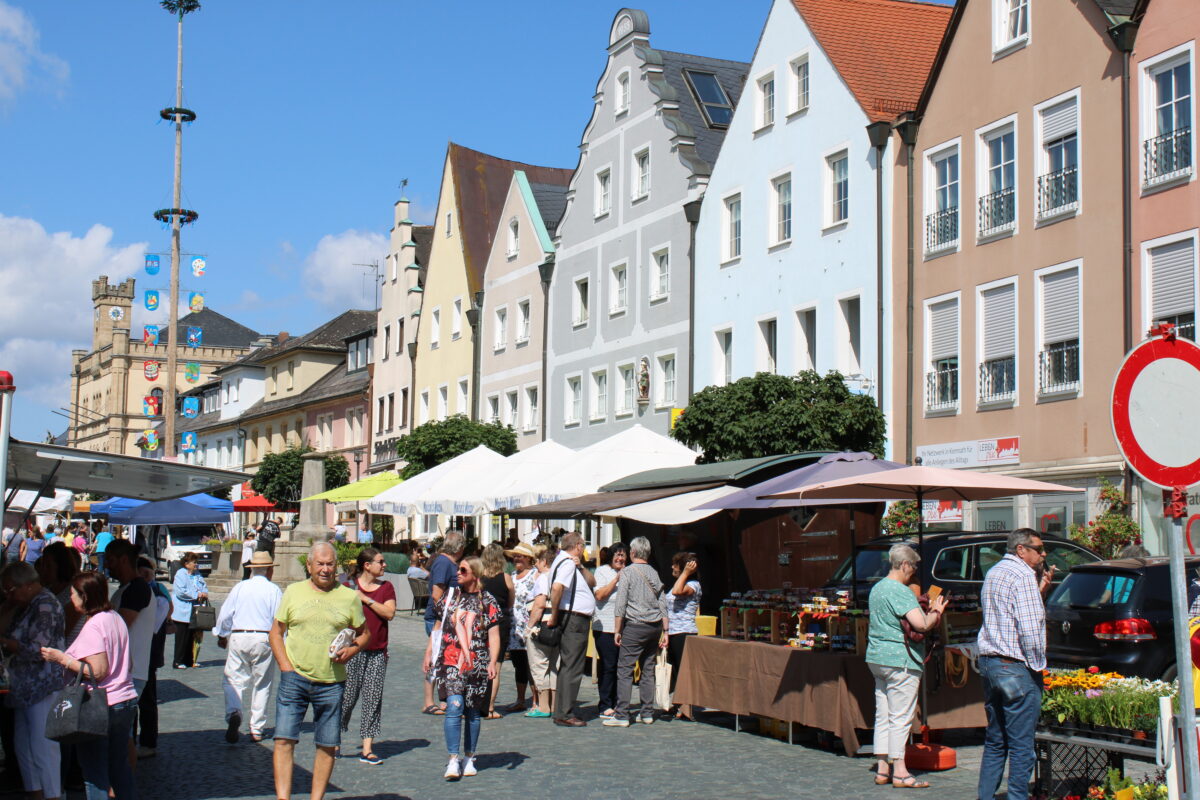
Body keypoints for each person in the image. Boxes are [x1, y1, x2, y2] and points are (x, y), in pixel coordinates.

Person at [270, 542, 368, 800]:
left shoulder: (348, 596)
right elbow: (276, 633)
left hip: (332, 681)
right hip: (295, 677)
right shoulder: (293, 592)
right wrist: (286, 667)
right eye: (320, 564)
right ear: (309, 566)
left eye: (330, 564)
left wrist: (352, 650)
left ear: (337, 567)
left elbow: (364, 633)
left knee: (326, 744)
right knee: (283, 739)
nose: (325, 569)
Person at [40, 572, 138, 800]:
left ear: (84, 596)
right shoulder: (114, 617)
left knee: (95, 773)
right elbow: (129, 662)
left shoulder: (95, 625)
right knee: (119, 768)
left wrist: (62, 659)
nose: (70, 599)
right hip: (124, 700)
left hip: (101, 705)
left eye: (73, 595)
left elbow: (99, 670)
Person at [977, 529, 1055, 800]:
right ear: (1021, 549)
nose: (1043, 554)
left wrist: (1040, 591)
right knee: (1022, 746)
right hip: (1014, 665)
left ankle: (985, 795)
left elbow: (1004, 614)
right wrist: (1038, 665)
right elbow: (1031, 630)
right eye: (1038, 548)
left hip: (990, 662)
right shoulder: (1022, 575)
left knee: (996, 740)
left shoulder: (995, 571)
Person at [865, 544, 947, 789]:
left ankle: (882, 769)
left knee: (883, 714)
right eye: (913, 566)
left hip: (877, 657)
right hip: (900, 659)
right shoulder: (899, 591)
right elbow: (921, 625)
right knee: (900, 716)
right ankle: (900, 771)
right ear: (904, 565)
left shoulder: (877, 588)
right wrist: (936, 611)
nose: (913, 572)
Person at [422, 556, 500, 781]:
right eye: (458, 569)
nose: (457, 573)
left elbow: (493, 635)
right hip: (451, 661)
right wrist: (429, 652)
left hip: (476, 663)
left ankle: (470, 757)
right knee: (454, 707)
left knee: (473, 712)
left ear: (475, 573)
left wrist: (492, 661)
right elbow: (438, 625)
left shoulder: (487, 600)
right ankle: (453, 759)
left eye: (463, 570)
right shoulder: (449, 596)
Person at [0, 562, 64, 800]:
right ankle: (36, 793)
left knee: (43, 746)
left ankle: (52, 795)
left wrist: (7, 644)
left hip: (42, 686)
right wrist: (7, 604)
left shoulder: (45, 605)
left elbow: (39, 650)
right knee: (24, 747)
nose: (8, 594)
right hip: (24, 687)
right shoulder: (24, 604)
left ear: (26, 585)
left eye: (10, 589)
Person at [216, 551, 282, 744]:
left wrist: (222, 634)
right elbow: (279, 619)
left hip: (239, 635)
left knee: (232, 679)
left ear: (252, 570)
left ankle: (234, 711)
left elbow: (226, 613)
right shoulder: (274, 590)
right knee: (262, 683)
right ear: (270, 570)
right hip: (263, 637)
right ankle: (257, 728)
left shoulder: (240, 587)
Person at [339, 548, 396, 764]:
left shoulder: (386, 587)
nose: (384, 565)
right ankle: (334, 739)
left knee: (373, 698)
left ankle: (367, 748)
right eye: (380, 562)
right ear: (367, 565)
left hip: (377, 652)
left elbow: (389, 613)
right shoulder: (347, 587)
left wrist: (365, 599)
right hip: (353, 651)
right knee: (347, 697)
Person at [604, 536, 666, 728]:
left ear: (632, 552)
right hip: (654, 626)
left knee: (625, 670)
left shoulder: (628, 572)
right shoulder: (654, 572)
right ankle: (647, 712)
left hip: (635, 625)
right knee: (648, 669)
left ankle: (622, 714)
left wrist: (617, 630)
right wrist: (666, 629)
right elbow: (662, 600)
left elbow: (621, 603)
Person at [544, 532, 596, 727]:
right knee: (572, 666)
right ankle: (565, 712)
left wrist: (581, 566)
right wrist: (555, 614)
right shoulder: (566, 563)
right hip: (574, 618)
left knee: (568, 665)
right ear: (578, 546)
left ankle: (562, 710)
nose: (583, 549)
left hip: (574, 616)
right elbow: (557, 588)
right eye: (583, 545)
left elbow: (593, 582)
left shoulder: (565, 561)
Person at [107, 539, 156, 697]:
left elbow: (117, 628)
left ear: (123, 560)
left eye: (110, 560)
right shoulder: (127, 588)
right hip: (126, 672)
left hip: (129, 674)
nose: (107, 565)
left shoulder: (137, 589)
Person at [422, 531, 465, 715]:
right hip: (439, 618)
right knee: (434, 656)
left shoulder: (449, 563)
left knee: (445, 657)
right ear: (460, 547)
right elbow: (437, 593)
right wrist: (445, 617)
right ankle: (428, 700)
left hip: (448, 618)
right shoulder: (443, 563)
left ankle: (444, 697)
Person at [134, 556, 170, 759]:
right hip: (140, 651)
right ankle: (132, 740)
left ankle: (148, 742)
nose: (143, 576)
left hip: (149, 652)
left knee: (147, 699)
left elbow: (156, 623)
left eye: (146, 572)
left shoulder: (158, 591)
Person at [664, 551, 701, 718]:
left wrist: (686, 572)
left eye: (675, 564)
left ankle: (686, 707)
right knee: (676, 670)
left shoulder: (693, 584)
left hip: (684, 632)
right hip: (672, 632)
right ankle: (678, 704)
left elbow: (677, 592)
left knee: (683, 670)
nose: (672, 567)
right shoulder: (679, 582)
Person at [591, 542, 627, 718]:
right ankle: (605, 704)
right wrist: (616, 579)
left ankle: (617, 702)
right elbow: (599, 595)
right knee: (608, 665)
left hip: (624, 627)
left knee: (621, 666)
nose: (620, 558)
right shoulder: (601, 571)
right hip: (604, 626)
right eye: (617, 555)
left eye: (623, 555)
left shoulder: (629, 571)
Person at [502, 542, 538, 713]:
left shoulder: (535, 575)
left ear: (529, 558)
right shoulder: (512, 576)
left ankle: (537, 701)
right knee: (519, 664)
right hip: (514, 628)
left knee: (533, 664)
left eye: (520, 556)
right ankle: (521, 699)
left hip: (530, 627)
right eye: (515, 556)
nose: (517, 559)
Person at [478, 543, 513, 719]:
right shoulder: (505, 577)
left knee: (479, 663)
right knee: (496, 666)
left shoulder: (480, 578)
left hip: (481, 621)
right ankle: (490, 707)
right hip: (501, 622)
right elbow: (510, 602)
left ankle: (476, 703)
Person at [524, 545, 557, 718]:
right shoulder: (560, 577)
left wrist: (529, 627)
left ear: (544, 561)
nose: (535, 564)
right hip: (557, 626)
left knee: (539, 665)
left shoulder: (544, 578)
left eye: (537, 560)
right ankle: (554, 704)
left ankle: (543, 706)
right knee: (554, 666)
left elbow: (539, 604)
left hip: (541, 626)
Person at [170, 552, 208, 669]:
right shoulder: (180, 574)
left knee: (193, 635)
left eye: (197, 562)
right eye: (194, 562)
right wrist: (196, 595)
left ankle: (190, 659)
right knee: (182, 636)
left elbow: (204, 586)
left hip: (195, 609)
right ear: (186, 564)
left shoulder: (197, 574)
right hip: (182, 609)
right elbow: (181, 592)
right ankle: (178, 660)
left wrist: (204, 593)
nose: (196, 565)